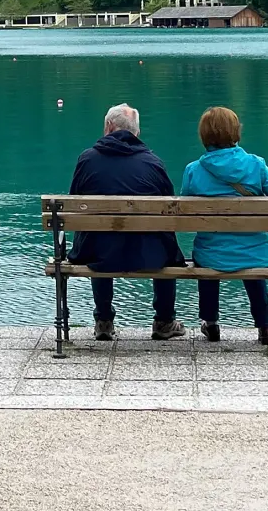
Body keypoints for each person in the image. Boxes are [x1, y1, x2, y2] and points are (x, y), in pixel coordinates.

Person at [68, 102, 186, 341]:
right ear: (137, 133)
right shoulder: (153, 163)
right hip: (150, 253)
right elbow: (170, 212)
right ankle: (163, 321)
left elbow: (74, 204)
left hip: (98, 252)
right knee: (165, 242)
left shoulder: (87, 160)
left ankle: (103, 320)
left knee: (98, 237)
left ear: (108, 127)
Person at [181, 104, 268, 345]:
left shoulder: (193, 171)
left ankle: (210, 322)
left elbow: (183, 213)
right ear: (235, 132)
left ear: (204, 136)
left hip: (211, 253)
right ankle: (264, 325)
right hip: (257, 253)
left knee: (208, 252)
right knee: (252, 247)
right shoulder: (256, 165)